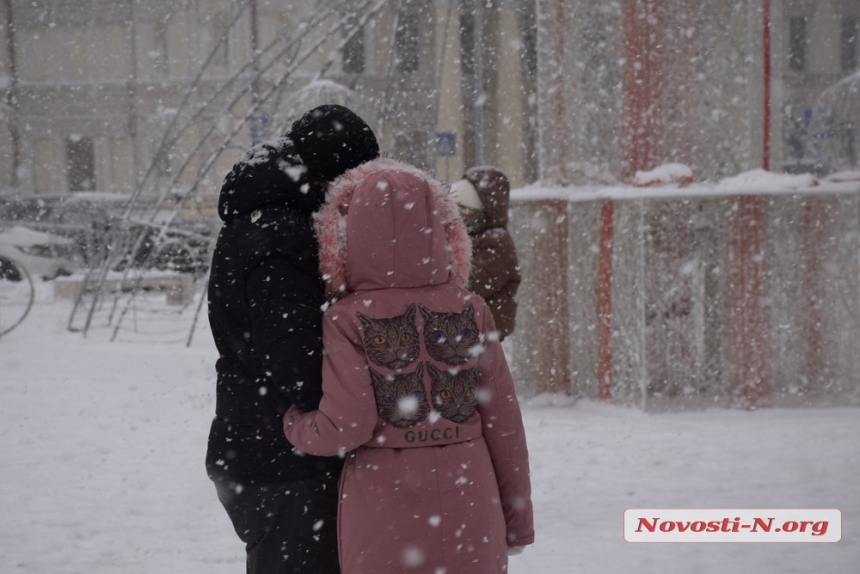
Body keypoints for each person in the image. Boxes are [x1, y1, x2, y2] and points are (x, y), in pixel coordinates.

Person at [283, 157, 534, 574]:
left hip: (385, 507)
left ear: (345, 237)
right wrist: (517, 523)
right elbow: (504, 424)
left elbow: (347, 425)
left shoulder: (346, 318)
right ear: (444, 231)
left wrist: (293, 423)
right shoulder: (471, 308)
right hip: (470, 498)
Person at [206, 104, 379, 574]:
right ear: (330, 175)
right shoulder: (284, 233)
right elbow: (294, 355)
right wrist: (346, 415)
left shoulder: (258, 220)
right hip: (283, 458)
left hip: (254, 446)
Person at [449, 166, 521, 341]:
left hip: (482, 335)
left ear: (482, 213)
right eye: (455, 209)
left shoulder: (496, 242)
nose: (458, 217)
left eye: (465, 210)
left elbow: (469, 284)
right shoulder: (470, 238)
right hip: (470, 332)